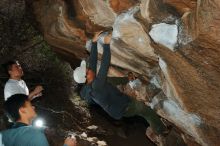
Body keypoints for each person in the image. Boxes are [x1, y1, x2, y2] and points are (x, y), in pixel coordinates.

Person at [73, 32, 168, 137]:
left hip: (116, 98)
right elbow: (105, 64)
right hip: (121, 108)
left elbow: (93, 61)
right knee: (144, 110)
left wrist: (94, 42)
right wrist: (106, 44)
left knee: (108, 80)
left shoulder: (92, 81)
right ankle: (161, 131)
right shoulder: (96, 86)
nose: (88, 68)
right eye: (86, 70)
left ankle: (128, 79)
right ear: (86, 77)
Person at [0, 94, 76, 146]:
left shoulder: (3, 135)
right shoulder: (35, 135)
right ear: (22, 110)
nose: (33, 107)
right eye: (30, 105)